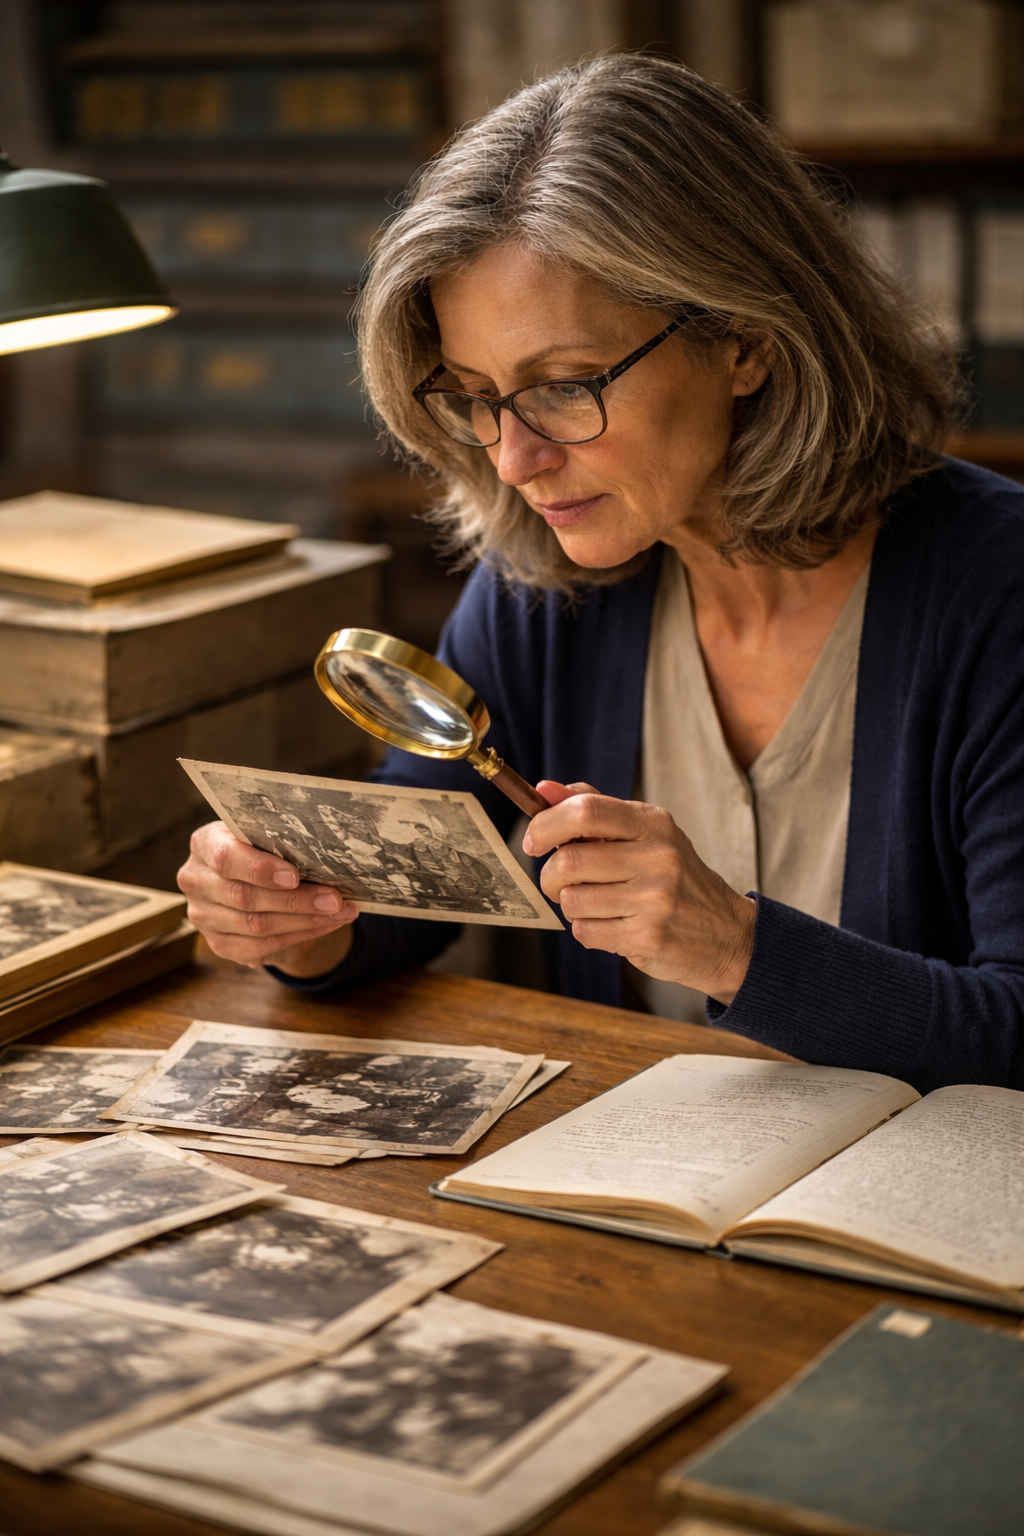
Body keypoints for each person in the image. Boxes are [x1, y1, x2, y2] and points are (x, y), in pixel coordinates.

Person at [178, 56, 1024, 1093]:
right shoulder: (543, 589)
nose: (512, 458)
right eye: (476, 396)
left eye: (566, 387)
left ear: (745, 342)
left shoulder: (997, 596)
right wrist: (295, 924)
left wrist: (736, 948)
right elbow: (421, 886)